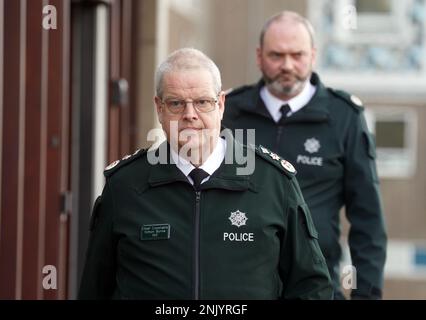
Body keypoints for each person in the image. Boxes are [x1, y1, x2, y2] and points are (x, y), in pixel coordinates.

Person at [78, 48, 332, 299]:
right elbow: (95, 288)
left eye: (202, 102)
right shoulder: (124, 185)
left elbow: (312, 287)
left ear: (220, 104)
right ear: (159, 108)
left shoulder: (274, 182)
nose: (190, 115)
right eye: (176, 103)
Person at [223, 11, 387, 299]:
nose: (287, 65)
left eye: (297, 55)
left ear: (313, 55)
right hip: (237, 287)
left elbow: (368, 223)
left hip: (316, 287)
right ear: (259, 56)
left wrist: (365, 296)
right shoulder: (229, 113)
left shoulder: (344, 117)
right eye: (276, 55)